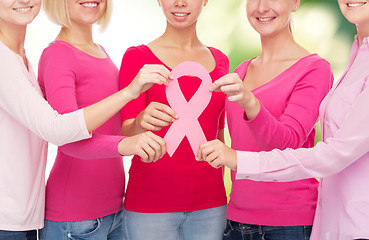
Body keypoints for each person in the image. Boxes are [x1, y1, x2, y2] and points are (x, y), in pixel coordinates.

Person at [198, 0, 369, 239]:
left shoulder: (315, 69)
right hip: (236, 220)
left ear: (296, 2)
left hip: (288, 224)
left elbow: (290, 142)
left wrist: (251, 104)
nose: (262, 6)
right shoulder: (239, 72)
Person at [0, 0, 167, 240]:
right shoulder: (53, 54)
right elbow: (62, 133)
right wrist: (129, 94)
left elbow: (106, 127)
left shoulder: (24, 59)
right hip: (70, 217)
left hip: (108, 208)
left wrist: (138, 125)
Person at [119, 0, 229, 239]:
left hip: (210, 205)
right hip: (150, 206)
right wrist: (140, 122)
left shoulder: (221, 61)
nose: (180, 2)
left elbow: (219, 135)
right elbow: (124, 135)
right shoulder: (137, 57)